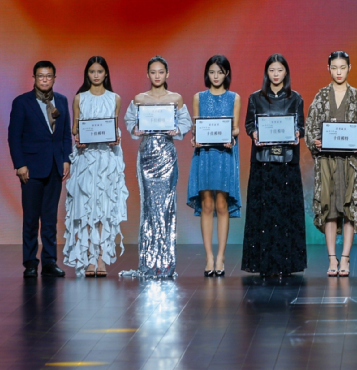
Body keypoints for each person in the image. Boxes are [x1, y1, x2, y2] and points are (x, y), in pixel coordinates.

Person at [120, 56, 191, 279]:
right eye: (153, 72)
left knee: (167, 206)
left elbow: (186, 122)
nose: (157, 75)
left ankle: (166, 264)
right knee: (149, 206)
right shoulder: (140, 99)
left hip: (167, 155)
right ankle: (149, 263)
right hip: (147, 155)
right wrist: (135, 129)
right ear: (148, 74)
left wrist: (177, 129)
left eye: (161, 72)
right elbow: (130, 121)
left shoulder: (175, 98)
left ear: (167, 74)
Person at [306, 51, 357, 277]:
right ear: (328, 69)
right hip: (327, 162)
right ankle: (332, 258)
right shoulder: (321, 96)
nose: (338, 72)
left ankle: (345, 258)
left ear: (349, 68)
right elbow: (310, 125)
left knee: (350, 209)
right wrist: (315, 140)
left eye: (342, 67)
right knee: (330, 209)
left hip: (350, 163)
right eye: (334, 67)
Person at [241, 54, 307, 277]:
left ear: (286, 72)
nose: (276, 74)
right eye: (272, 70)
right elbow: (249, 124)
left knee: (286, 214)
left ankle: (287, 264)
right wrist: (254, 132)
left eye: (279, 70)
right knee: (263, 214)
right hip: (263, 162)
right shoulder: (255, 98)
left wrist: (297, 133)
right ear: (266, 73)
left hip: (287, 163)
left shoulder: (296, 98)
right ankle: (263, 264)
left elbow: (301, 127)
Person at [63, 56, 127, 277]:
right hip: (86, 159)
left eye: (100, 71)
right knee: (87, 208)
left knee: (104, 210)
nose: (96, 75)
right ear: (87, 74)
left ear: (106, 73)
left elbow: (114, 128)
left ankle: (101, 259)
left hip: (107, 161)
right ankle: (89, 259)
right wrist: (79, 137)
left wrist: (115, 138)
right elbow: (75, 128)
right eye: (92, 71)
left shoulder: (115, 98)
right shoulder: (79, 98)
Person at [7, 60, 72, 278]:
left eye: (48, 76)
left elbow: (64, 135)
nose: (44, 79)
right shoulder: (22, 102)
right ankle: (30, 263)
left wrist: (66, 159)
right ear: (34, 78)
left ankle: (50, 261)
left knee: (50, 219)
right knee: (31, 218)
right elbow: (14, 136)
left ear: (54, 78)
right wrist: (20, 164)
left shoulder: (61, 101)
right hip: (31, 168)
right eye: (41, 76)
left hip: (54, 166)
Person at [187, 54, 241, 277]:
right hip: (205, 154)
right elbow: (196, 126)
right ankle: (209, 256)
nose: (216, 76)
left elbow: (236, 128)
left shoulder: (234, 97)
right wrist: (195, 137)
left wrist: (231, 135)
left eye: (220, 72)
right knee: (207, 204)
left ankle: (221, 256)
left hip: (225, 153)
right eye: (212, 72)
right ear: (206, 74)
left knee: (221, 204)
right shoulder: (198, 97)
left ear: (226, 73)